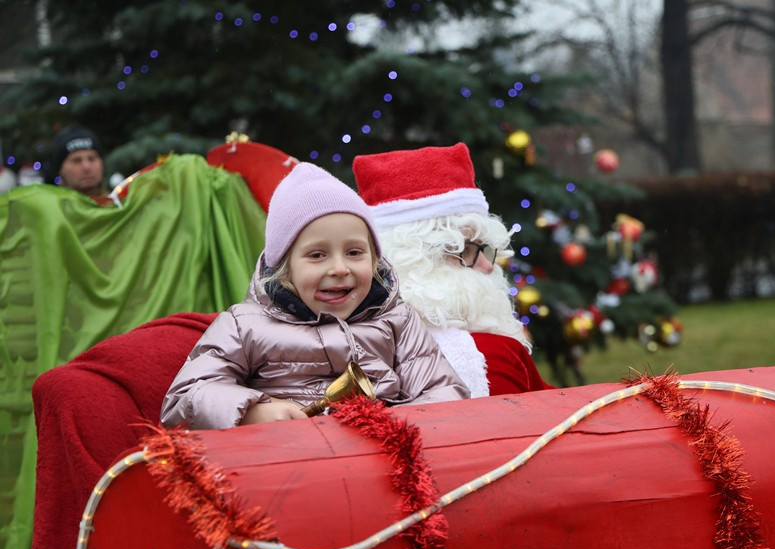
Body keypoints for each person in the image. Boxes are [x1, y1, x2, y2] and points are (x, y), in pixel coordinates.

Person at [161, 162, 469, 429]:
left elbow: (443, 391)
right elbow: (183, 399)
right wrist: (253, 411)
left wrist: (398, 426)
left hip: (383, 460)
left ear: (375, 259)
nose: (339, 268)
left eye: (354, 252)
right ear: (284, 267)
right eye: (317, 255)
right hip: (287, 466)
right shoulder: (244, 325)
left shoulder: (397, 319)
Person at [353, 143, 551, 398]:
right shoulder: (493, 355)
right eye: (465, 249)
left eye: (486, 249)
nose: (488, 266)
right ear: (410, 260)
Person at [51, 124, 110, 200]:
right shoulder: (50, 210)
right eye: (76, 161)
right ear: (61, 169)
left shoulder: (120, 207)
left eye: (92, 159)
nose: (87, 167)